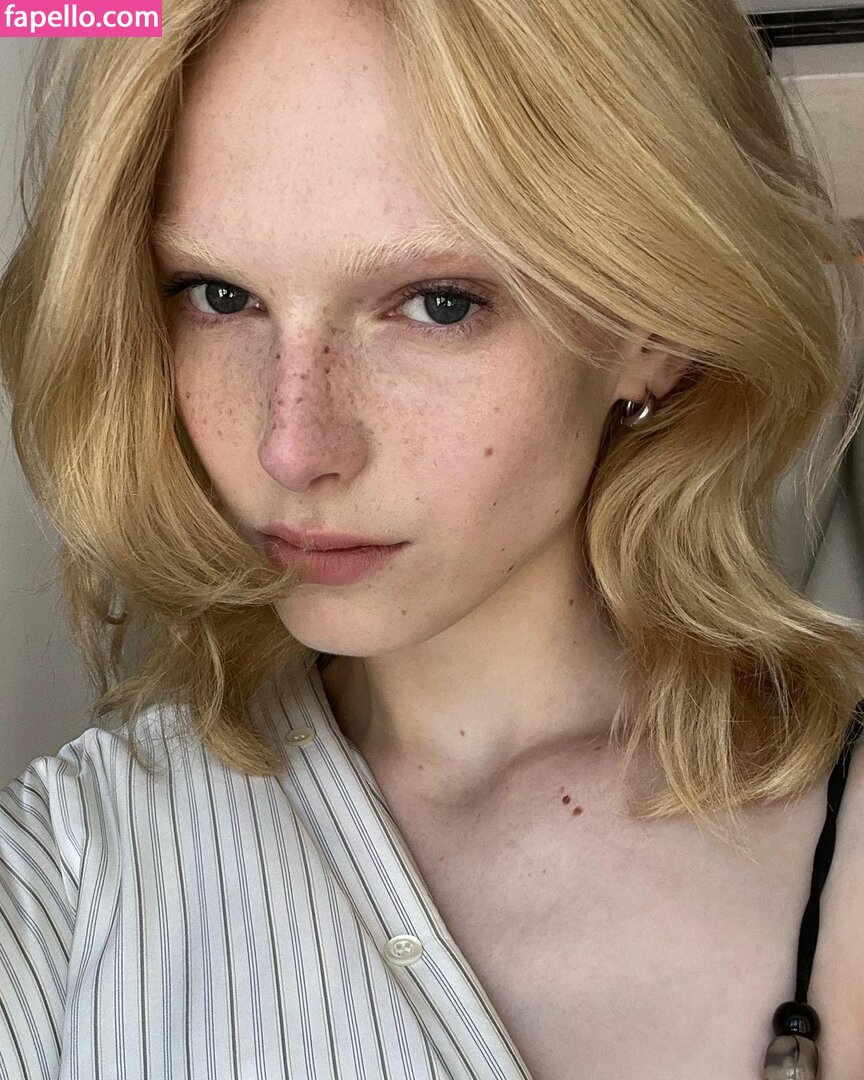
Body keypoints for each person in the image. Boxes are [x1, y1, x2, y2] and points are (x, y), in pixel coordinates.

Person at [1, 0, 863, 1077]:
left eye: (439, 305)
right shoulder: (74, 867)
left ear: (655, 330)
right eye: (220, 297)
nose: (292, 447)